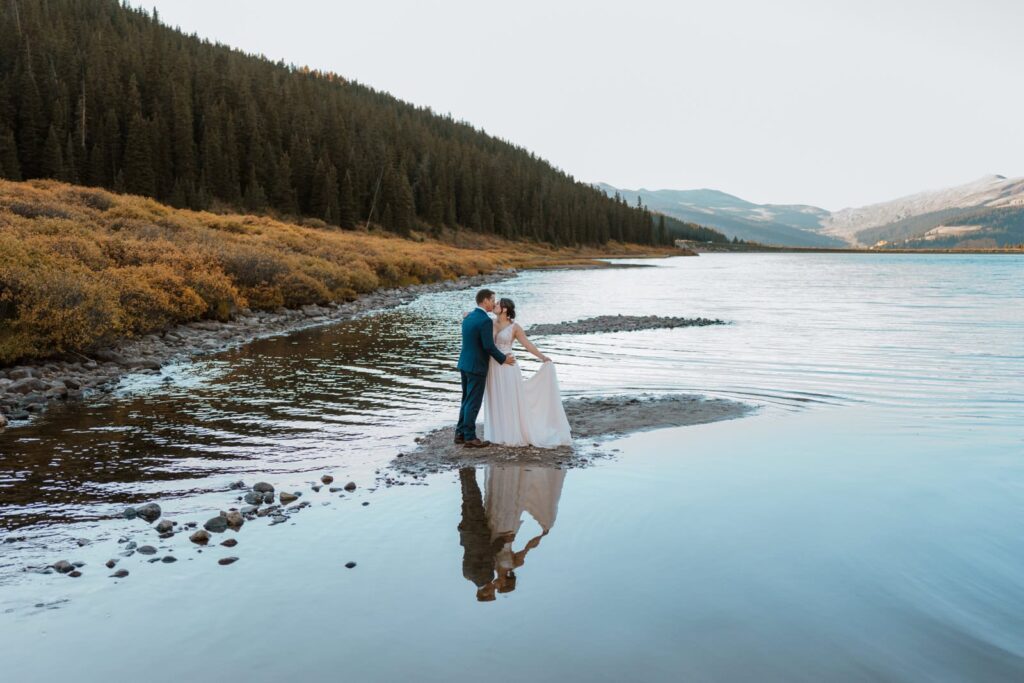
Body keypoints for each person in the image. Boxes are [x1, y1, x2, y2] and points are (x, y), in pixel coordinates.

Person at [483, 297, 572, 448]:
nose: (495, 305)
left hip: (508, 366)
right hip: (492, 366)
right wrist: (467, 315)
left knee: (509, 398)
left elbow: (527, 344)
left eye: (498, 304)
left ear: (504, 309)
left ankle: (512, 433)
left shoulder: (515, 327)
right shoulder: (489, 322)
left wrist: (543, 357)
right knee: (495, 397)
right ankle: (498, 434)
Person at [455, 289, 515, 448]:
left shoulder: (468, 317)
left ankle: (460, 434)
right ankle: (469, 437)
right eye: (493, 300)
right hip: (476, 366)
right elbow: (488, 346)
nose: (494, 303)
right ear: (485, 300)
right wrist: (504, 359)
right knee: (473, 403)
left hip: (464, 364)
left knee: (466, 400)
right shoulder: (485, 320)